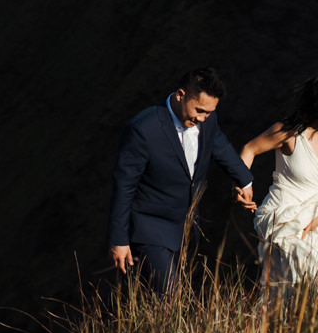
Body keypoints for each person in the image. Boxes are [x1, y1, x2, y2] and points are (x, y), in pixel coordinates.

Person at [107, 68, 257, 292]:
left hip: (187, 230)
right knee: (169, 295)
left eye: (208, 113)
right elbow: (124, 186)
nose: (202, 118)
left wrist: (244, 181)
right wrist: (118, 240)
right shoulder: (143, 129)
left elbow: (221, 147)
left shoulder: (207, 119)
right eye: (199, 110)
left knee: (173, 302)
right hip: (150, 229)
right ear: (180, 94)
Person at [239, 71, 318, 306]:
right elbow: (249, 149)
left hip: (313, 225)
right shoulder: (289, 132)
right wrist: (242, 185)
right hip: (281, 219)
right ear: (317, 105)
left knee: (311, 293)